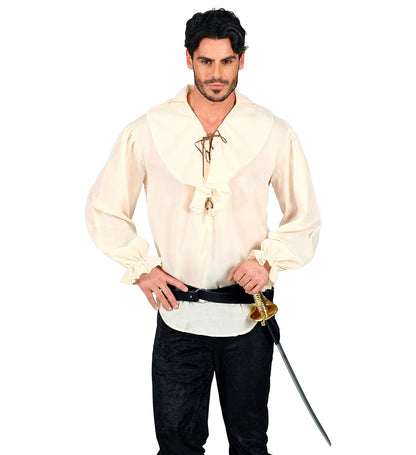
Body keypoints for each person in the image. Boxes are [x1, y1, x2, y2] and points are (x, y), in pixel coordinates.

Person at [85, 8, 321, 455]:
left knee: (249, 445)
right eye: (206, 61)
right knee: (176, 446)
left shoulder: (274, 132)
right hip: (179, 316)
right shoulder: (147, 130)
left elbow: (304, 218)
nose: (216, 74)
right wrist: (141, 268)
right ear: (188, 59)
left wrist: (268, 262)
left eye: (227, 61)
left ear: (242, 60)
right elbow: (105, 208)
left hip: (248, 317)